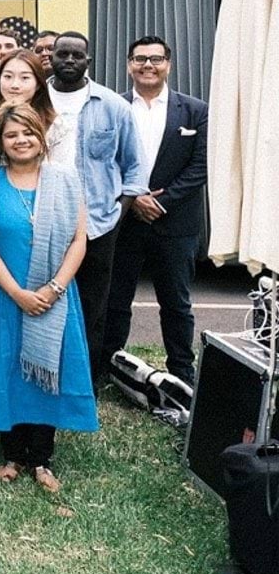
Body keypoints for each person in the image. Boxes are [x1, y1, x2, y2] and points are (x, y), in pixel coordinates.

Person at [0, 104, 95, 493]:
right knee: (8, 367)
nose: (21, 140)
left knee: (46, 372)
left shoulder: (65, 181)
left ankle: (41, 458)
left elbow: (79, 239)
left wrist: (54, 288)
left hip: (54, 295)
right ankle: (12, 456)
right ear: (1, 144)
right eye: (12, 135)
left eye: (28, 133)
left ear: (41, 137)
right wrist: (17, 293)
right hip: (4, 293)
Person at [104, 37, 207, 384]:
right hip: (125, 221)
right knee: (116, 300)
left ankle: (182, 372)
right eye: (140, 59)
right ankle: (108, 366)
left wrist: (161, 201)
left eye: (156, 59)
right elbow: (102, 162)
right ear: (129, 64)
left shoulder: (195, 110)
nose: (148, 65)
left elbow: (200, 166)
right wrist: (132, 199)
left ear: (169, 64)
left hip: (175, 223)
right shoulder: (113, 107)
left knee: (176, 302)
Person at [46, 32, 146, 382]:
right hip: (42, 222)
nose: (69, 60)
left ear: (88, 61)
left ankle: (86, 380)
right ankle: (47, 374)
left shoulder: (112, 105)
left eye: (77, 55)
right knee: (45, 302)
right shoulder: (35, 101)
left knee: (92, 307)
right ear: (51, 58)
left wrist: (118, 213)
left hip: (99, 226)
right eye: (63, 54)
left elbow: (134, 167)